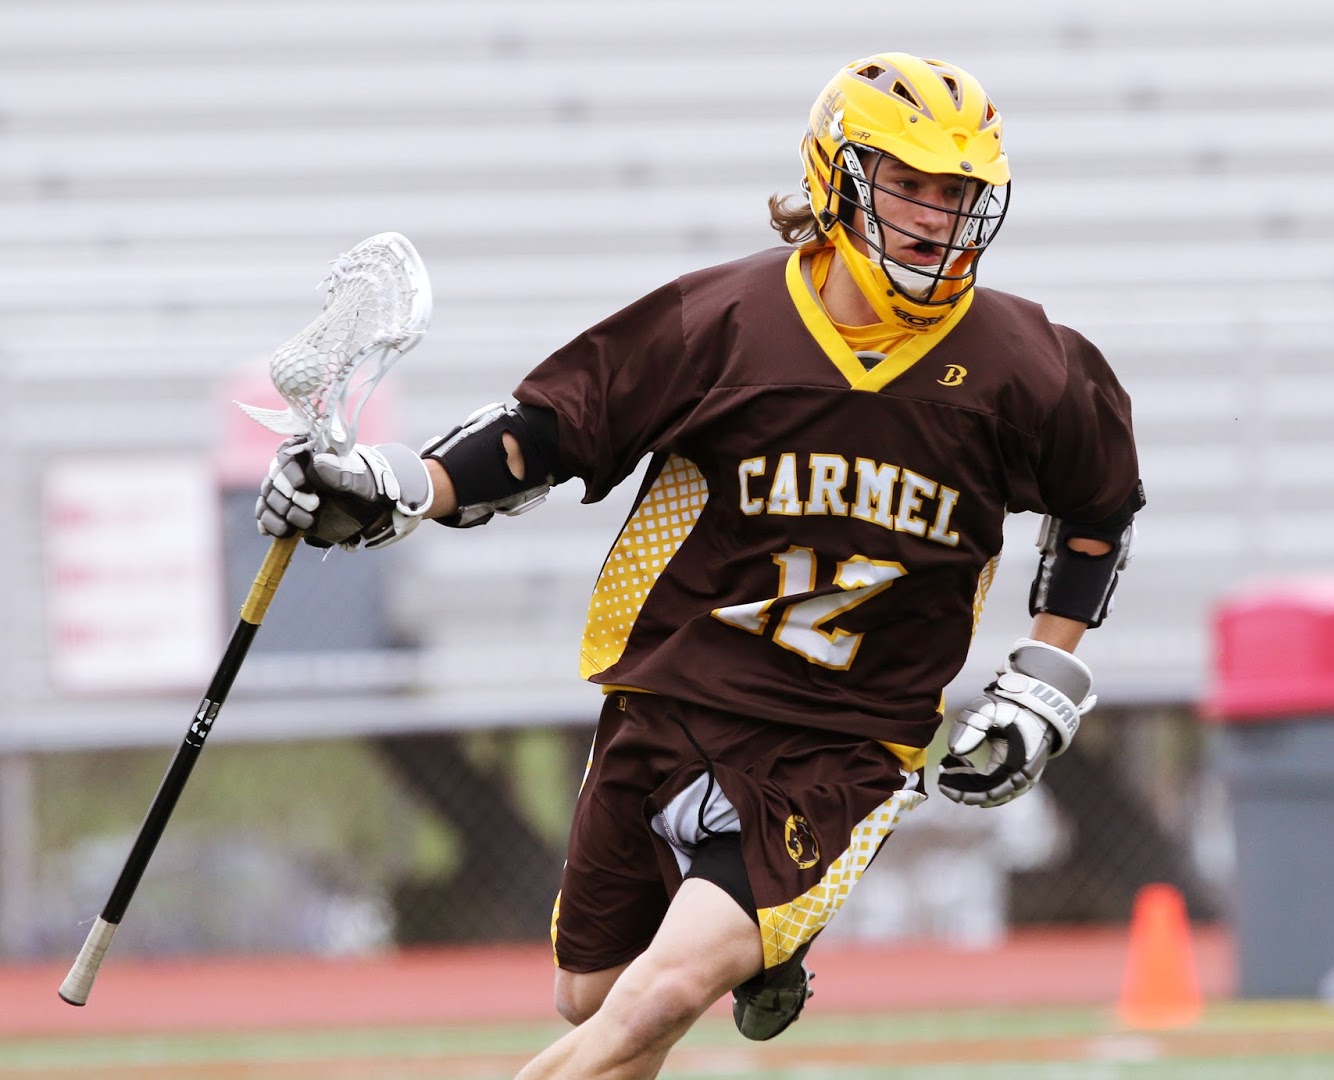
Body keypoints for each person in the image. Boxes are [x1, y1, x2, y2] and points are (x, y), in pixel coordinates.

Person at [255, 52, 1143, 1080]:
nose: (933, 218)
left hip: (844, 743)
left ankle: (758, 936)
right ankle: (771, 951)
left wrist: (1044, 683)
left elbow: (1098, 511)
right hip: (671, 698)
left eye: (954, 194)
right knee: (592, 996)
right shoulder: (722, 321)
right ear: (837, 177)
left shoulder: (1027, 362)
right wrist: (391, 485)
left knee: (657, 997)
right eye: (906, 184)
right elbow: (542, 435)